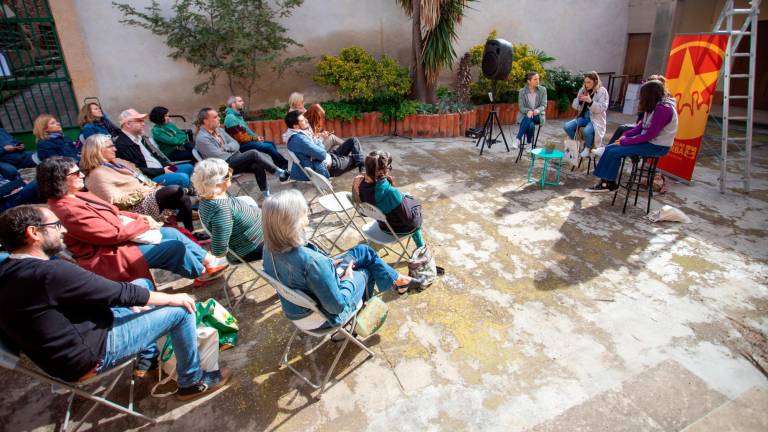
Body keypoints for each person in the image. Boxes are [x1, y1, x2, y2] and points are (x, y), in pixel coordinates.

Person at [0, 205, 232, 400]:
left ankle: (148, 361)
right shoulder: (48, 273)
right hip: (90, 352)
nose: (63, 230)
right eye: (55, 225)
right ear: (34, 233)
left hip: (73, 340)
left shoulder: (8, 271)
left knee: (142, 283)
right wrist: (173, 298)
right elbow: (116, 293)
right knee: (182, 310)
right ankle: (192, 380)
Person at [38, 156, 227, 284]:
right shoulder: (64, 209)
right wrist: (144, 223)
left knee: (170, 232)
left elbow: (114, 211)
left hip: (124, 238)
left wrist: (140, 217)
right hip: (109, 255)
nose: (81, 175)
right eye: (75, 173)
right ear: (59, 179)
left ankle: (209, 261)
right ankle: (200, 274)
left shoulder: (78, 195)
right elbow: (110, 235)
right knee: (172, 247)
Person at [262, 190, 423, 329]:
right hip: (320, 318)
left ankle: (398, 279)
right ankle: (359, 320)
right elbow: (337, 307)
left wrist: (329, 267)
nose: (308, 214)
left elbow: (304, 273)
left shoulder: (268, 248)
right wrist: (347, 279)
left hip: (296, 307)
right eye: (303, 212)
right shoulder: (313, 262)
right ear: (293, 222)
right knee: (367, 270)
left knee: (364, 251)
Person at [80, 134, 197, 233]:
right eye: (110, 147)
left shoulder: (119, 162)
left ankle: (190, 232)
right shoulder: (96, 174)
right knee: (174, 190)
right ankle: (188, 194)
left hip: (147, 196)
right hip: (133, 208)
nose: (115, 149)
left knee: (183, 198)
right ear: (97, 150)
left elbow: (141, 177)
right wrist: (143, 192)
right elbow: (113, 201)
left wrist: (152, 187)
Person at [586, 80, 678, 193]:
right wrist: (625, 136)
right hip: (649, 142)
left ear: (650, 95)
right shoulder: (653, 106)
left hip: (658, 146)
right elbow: (640, 127)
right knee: (610, 148)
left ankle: (608, 183)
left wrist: (625, 142)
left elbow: (650, 135)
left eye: (642, 94)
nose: (640, 97)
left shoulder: (664, 109)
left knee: (615, 152)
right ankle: (606, 182)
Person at [194, 107, 289, 198]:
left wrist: (226, 147)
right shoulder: (202, 138)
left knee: (257, 165)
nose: (219, 118)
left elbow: (235, 144)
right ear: (205, 121)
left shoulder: (219, 130)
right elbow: (219, 156)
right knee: (253, 153)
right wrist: (231, 150)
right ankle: (278, 172)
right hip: (222, 168)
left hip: (234, 161)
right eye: (215, 117)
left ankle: (266, 194)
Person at [192, 158, 264, 263]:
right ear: (217, 182)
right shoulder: (221, 211)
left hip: (260, 232)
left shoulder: (209, 197)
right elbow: (219, 251)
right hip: (251, 248)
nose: (231, 173)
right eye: (227, 174)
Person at [352, 150, 425, 248]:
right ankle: (421, 247)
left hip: (382, 223)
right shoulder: (391, 193)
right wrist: (416, 206)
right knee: (415, 216)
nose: (390, 168)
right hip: (394, 229)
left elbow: (362, 213)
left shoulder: (359, 183)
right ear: (382, 171)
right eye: (389, 166)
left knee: (403, 199)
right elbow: (410, 222)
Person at [114, 109, 194, 188]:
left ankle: (183, 190)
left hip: (162, 169)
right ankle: (183, 194)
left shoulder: (140, 138)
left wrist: (168, 167)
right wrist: (163, 171)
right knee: (183, 177)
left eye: (143, 121)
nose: (143, 124)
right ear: (128, 124)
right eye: (140, 121)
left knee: (188, 167)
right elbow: (135, 170)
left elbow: (156, 155)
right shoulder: (122, 144)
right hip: (150, 178)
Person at [284, 110, 363, 181]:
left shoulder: (294, 134)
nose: (306, 120)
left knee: (353, 140)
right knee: (359, 157)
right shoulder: (299, 139)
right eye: (302, 120)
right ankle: (364, 171)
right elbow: (322, 154)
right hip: (330, 166)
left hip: (330, 157)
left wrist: (315, 143)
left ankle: (362, 167)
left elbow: (319, 151)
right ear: (295, 126)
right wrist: (317, 141)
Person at [223, 95, 288, 169]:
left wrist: (257, 137)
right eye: (240, 101)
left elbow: (247, 131)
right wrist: (255, 139)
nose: (243, 102)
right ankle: (284, 164)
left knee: (270, 144)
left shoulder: (238, 116)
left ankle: (279, 165)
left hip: (245, 142)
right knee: (268, 147)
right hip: (239, 146)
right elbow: (240, 138)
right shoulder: (230, 118)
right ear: (233, 104)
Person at [606, 74, 670, 145]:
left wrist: (626, 140)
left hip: (652, 140)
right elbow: (641, 123)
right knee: (621, 132)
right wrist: (625, 136)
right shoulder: (651, 103)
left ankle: (609, 147)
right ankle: (608, 147)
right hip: (643, 129)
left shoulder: (662, 108)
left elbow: (650, 133)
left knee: (621, 135)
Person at [563, 71, 609, 158]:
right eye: (585, 82)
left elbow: (602, 108)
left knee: (587, 131)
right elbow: (575, 107)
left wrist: (590, 102)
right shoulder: (583, 89)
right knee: (567, 126)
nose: (586, 84)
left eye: (589, 82)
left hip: (595, 119)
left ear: (595, 81)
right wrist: (580, 101)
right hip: (584, 117)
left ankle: (588, 149)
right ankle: (578, 143)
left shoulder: (602, 91)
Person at [512, 71, 547, 151]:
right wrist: (528, 111)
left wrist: (537, 110)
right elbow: (521, 107)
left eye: (538, 79)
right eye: (535, 79)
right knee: (530, 125)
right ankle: (529, 143)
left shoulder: (543, 90)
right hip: (526, 115)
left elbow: (544, 105)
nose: (538, 81)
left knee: (529, 118)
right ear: (529, 81)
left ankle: (518, 139)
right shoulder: (522, 91)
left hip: (538, 116)